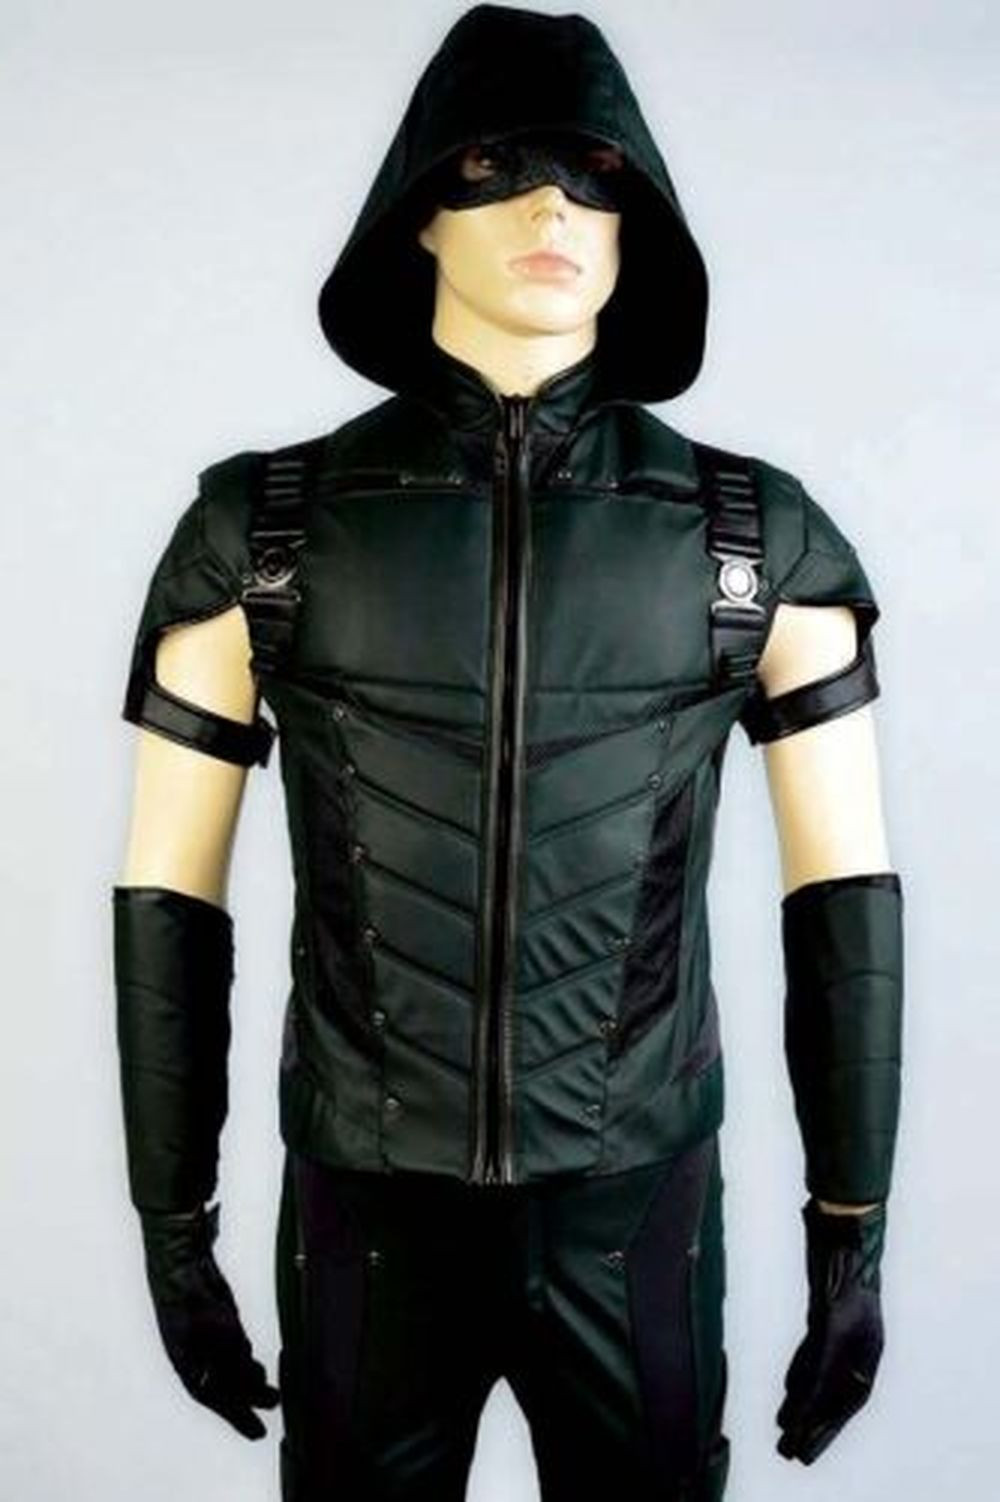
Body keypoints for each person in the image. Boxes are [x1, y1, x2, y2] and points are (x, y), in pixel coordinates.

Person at [112, 6, 904, 1499]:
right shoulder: (260, 536)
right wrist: (176, 1225)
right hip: (365, 1215)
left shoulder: (755, 544)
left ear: (635, 220)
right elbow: (169, 896)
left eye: (596, 175)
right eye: (497, 167)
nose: (552, 209)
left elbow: (844, 898)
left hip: (634, 1211)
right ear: (419, 211)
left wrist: (849, 1233)